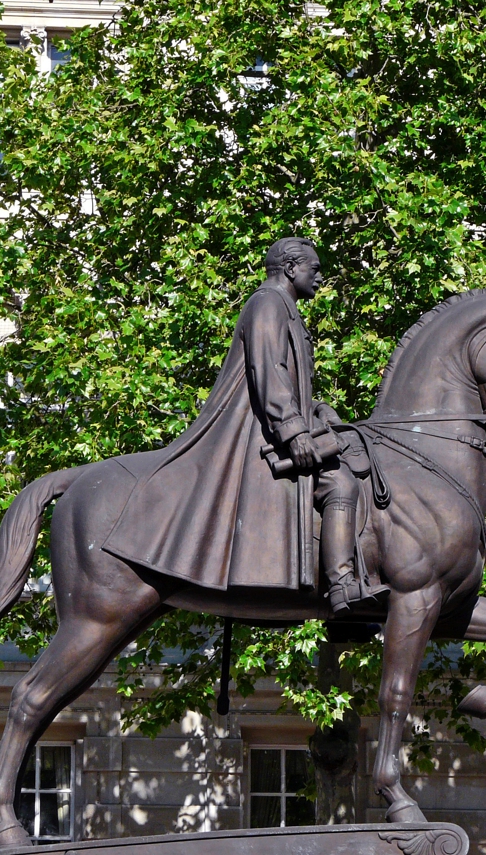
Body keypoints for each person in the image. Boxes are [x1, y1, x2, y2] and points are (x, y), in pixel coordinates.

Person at [102, 238, 372, 613]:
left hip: (274, 423)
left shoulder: (286, 308)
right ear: (292, 269)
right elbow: (268, 371)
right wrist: (294, 431)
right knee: (340, 483)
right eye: (315, 268)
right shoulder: (268, 304)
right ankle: (342, 584)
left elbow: (288, 383)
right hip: (255, 436)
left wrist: (320, 410)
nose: (321, 277)